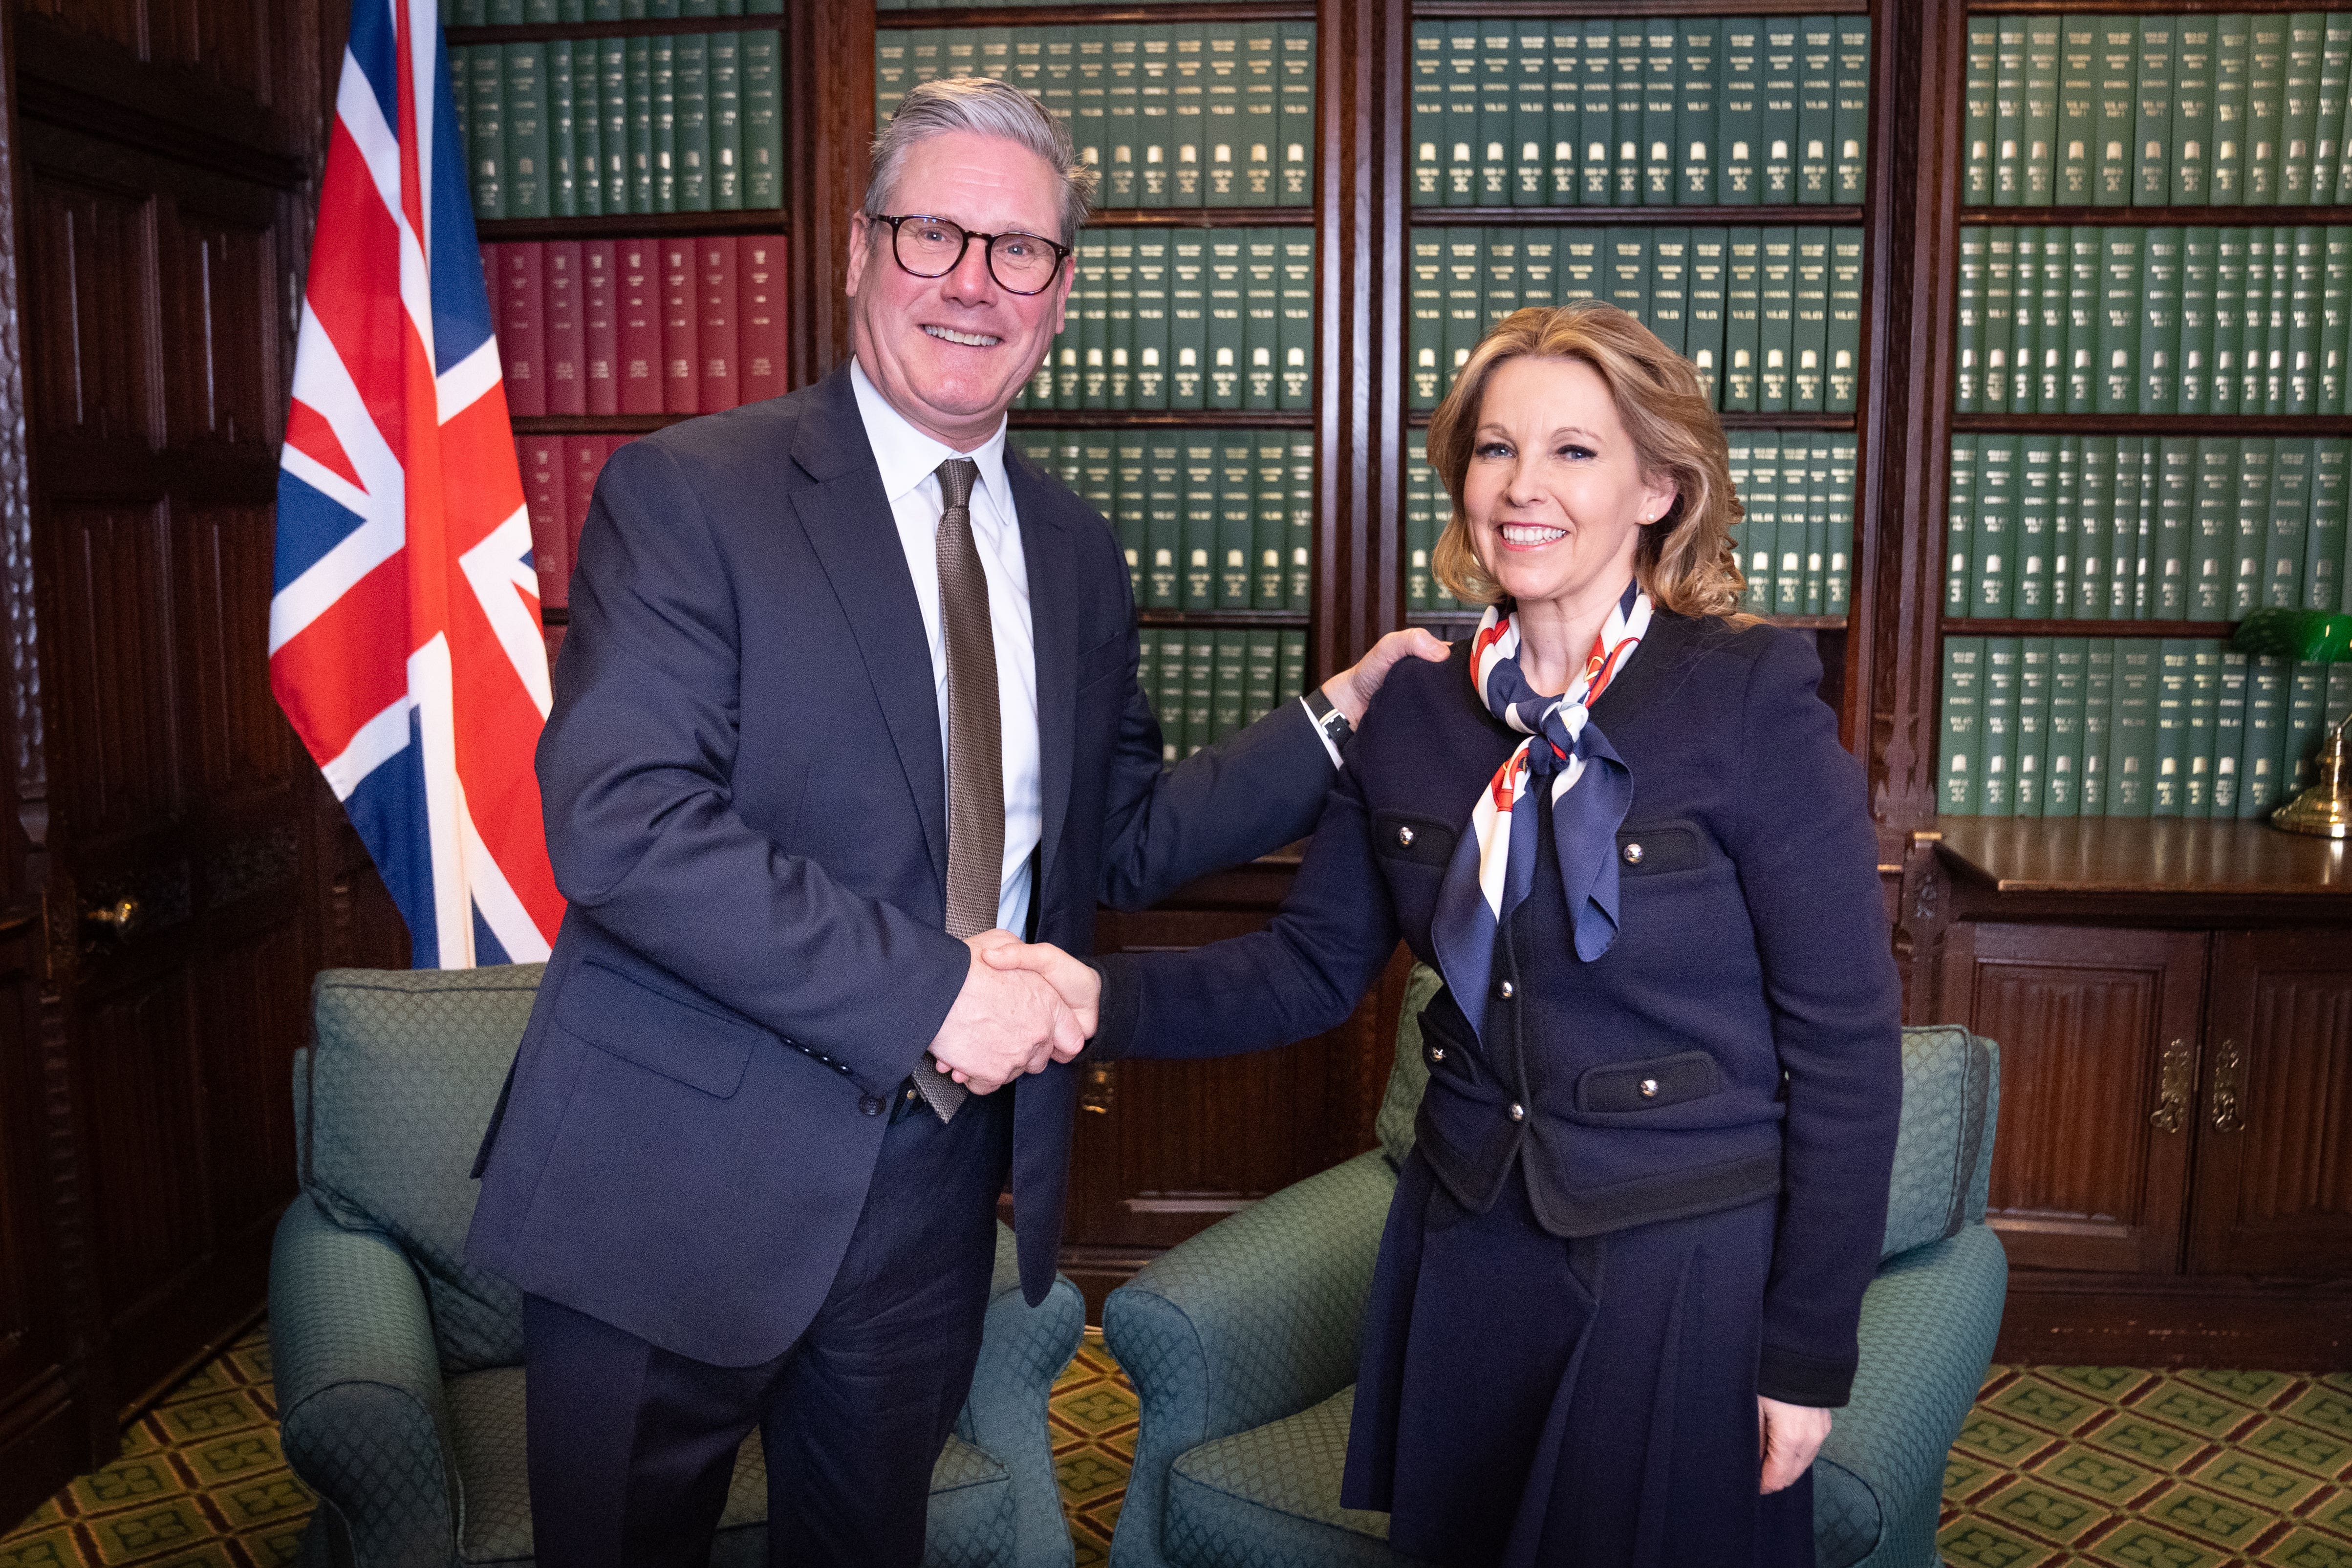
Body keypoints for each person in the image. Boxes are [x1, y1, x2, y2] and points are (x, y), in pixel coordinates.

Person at [462, 75, 1443, 1568]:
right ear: (861, 250)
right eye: (935, 235)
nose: (973, 284)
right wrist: (939, 990)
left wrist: (1337, 718)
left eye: (1019, 251)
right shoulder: (692, 493)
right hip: (666, 1188)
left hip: (927, 1201)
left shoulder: (1073, 550)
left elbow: (1103, 842)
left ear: (1060, 294)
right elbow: (625, 824)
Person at [993, 300, 1902, 1567]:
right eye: (1494, 448)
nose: (1525, 486)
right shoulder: (1415, 705)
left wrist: (1807, 1351)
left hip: (1677, 1260)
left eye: (1575, 451)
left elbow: (1852, 1052)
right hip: (1471, 1241)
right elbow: (1308, 968)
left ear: (1659, 487)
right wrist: (1083, 996)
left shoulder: (1750, 695)